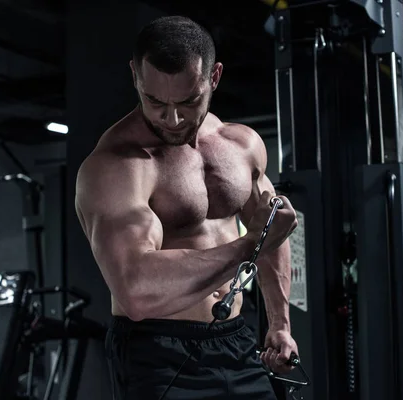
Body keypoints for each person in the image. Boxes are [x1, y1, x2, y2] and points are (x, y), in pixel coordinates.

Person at [75, 15, 299, 400]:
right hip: (157, 350)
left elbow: (271, 229)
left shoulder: (241, 144)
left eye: (188, 101)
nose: (173, 119)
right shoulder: (116, 165)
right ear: (135, 76)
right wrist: (249, 247)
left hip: (235, 339)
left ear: (213, 78)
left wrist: (280, 322)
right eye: (155, 101)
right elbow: (136, 290)